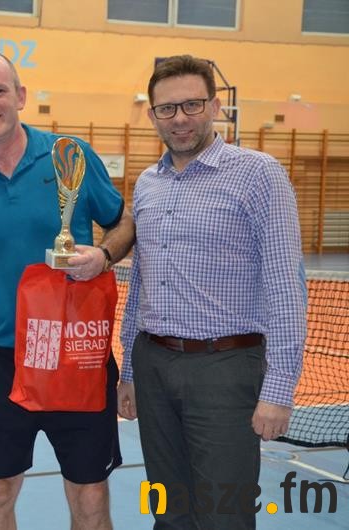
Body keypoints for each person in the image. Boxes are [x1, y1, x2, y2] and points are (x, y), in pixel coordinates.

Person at [0, 51, 135, 530]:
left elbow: (122, 221)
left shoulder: (70, 156)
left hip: (76, 357)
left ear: (20, 96)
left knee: (90, 494)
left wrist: (104, 256)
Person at [117, 55, 307, 530]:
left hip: (225, 370)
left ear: (216, 107)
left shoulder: (259, 174)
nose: (180, 118)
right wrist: (130, 371)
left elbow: (286, 284)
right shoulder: (148, 184)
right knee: (168, 510)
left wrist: (278, 390)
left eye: (192, 105)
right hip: (153, 364)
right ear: (152, 115)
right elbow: (141, 282)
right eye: (167, 108)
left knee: (225, 515)